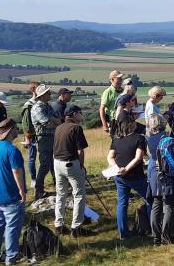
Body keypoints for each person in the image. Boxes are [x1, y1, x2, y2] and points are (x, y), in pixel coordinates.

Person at [0, 119, 27, 265]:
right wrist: (22, 191)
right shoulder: (12, 150)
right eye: (16, 128)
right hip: (12, 196)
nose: (17, 130)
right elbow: (16, 171)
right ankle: (11, 257)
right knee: (12, 229)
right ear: (10, 131)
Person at [53, 105, 94, 237]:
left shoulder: (59, 127)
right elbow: (80, 150)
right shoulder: (76, 128)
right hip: (71, 163)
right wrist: (81, 166)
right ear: (75, 114)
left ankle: (59, 225)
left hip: (57, 163)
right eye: (80, 113)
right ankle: (76, 228)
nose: (81, 115)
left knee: (61, 195)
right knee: (79, 195)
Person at [146, 106, 174, 246]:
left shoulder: (149, 139)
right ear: (162, 123)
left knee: (156, 205)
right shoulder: (168, 139)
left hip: (154, 174)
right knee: (169, 205)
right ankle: (166, 237)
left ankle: (156, 238)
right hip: (167, 175)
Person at [106, 117, 150, 239]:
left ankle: (123, 233)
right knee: (151, 198)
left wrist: (118, 168)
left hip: (119, 176)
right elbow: (139, 157)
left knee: (122, 203)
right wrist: (126, 169)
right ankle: (153, 226)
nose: (136, 123)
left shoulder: (116, 140)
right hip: (134, 176)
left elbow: (110, 157)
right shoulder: (139, 138)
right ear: (131, 124)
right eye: (134, 121)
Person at [21, 84, 58, 199]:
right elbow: (49, 123)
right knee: (45, 165)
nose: (50, 94)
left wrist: (55, 120)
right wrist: (55, 121)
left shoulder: (47, 106)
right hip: (44, 139)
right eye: (48, 93)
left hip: (51, 138)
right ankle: (39, 190)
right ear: (42, 95)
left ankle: (58, 185)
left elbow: (57, 119)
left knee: (54, 163)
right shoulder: (37, 107)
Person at [100, 70, 125, 136]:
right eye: (118, 78)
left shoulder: (124, 90)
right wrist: (104, 125)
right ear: (112, 80)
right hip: (113, 121)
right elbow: (102, 109)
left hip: (124, 120)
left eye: (121, 78)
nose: (120, 80)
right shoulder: (108, 92)